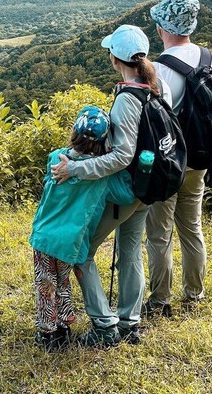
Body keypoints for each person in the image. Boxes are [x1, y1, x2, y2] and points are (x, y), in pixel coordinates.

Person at [51, 24, 171, 348]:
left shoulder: (127, 100)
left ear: (115, 58)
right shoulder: (155, 87)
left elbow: (121, 157)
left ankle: (105, 328)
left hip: (127, 191)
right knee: (131, 251)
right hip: (147, 188)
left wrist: (75, 168)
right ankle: (130, 323)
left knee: (82, 253)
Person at [143, 0, 212, 317]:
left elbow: (154, 121)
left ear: (163, 28)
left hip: (170, 163)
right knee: (192, 227)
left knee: (159, 233)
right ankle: (195, 293)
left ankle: (160, 299)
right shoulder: (211, 59)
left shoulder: (159, 70)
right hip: (201, 158)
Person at [30, 105, 135, 352]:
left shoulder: (57, 158)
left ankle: (48, 335)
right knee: (63, 282)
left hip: (45, 236)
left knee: (46, 285)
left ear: (74, 133)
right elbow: (125, 195)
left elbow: (49, 179)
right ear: (103, 143)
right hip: (71, 242)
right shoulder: (101, 175)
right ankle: (63, 329)